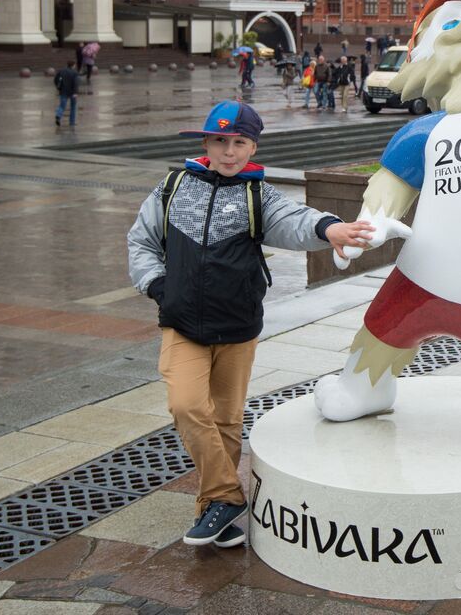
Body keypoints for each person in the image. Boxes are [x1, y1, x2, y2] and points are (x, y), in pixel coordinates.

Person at [126, 101, 375, 549]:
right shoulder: (172, 187)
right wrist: (158, 286)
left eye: (239, 142)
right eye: (220, 141)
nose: (228, 152)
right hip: (182, 323)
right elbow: (141, 241)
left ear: (252, 146)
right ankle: (226, 495)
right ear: (205, 143)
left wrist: (330, 227)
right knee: (186, 406)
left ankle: (214, 513)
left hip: (238, 326)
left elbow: (294, 220)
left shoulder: (256, 195)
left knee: (225, 420)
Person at [54, 60, 79, 127]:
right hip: (72, 92)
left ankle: (58, 115)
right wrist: (75, 92)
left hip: (63, 91)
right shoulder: (74, 73)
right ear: (73, 65)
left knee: (62, 105)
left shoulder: (61, 71)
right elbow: (75, 83)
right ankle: (72, 122)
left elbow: (56, 79)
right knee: (73, 107)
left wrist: (58, 87)